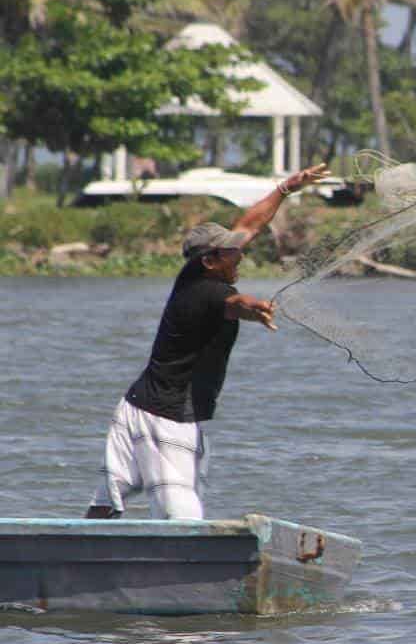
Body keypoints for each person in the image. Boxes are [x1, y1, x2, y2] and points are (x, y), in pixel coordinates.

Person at [85, 163, 331, 520]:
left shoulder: (195, 272)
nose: (241, 253)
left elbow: (249, 226)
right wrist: (256, 307)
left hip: (136, 406)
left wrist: (286, 188)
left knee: (107, 505)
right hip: (164, 419)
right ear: (211, 260)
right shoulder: (206, 294)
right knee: (184, 518)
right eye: (232, 252)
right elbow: (235, 305)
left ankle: (76, 559)